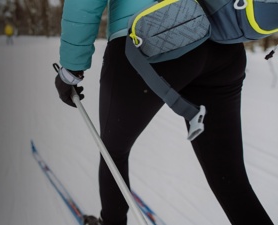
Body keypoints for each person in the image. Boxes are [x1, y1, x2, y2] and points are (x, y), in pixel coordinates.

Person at [54, 0, 274, 225]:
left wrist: (71, 68)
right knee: (231, 179)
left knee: (113, 151)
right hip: (218, 40)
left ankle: (111, 221)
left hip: (148, 38)